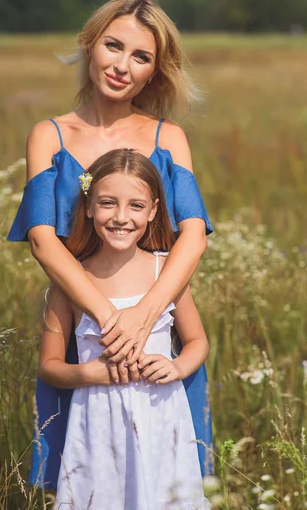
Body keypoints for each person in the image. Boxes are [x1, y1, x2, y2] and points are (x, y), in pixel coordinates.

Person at [7, 0, 214, 488]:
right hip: (82, 330)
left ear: (154, 72)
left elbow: (193, 235)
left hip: (157, 331)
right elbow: (41, 240)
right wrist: (107, 317)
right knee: (86, 477)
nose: (122, 66)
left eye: (140, 57)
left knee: (166, 480)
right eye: (113, 46)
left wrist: (142, 317)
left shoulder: (169, 137)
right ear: (89, 44)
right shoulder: (49, 136)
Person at [39, 149, 211, 510]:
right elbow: (49, 366)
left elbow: (197, 341)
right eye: (107, 203)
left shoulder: (167, 272)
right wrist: (87, 373)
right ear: (88, 207)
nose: (121, 217)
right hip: (97, 421)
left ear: (153, 211)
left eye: (136, 206)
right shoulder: (71, 281)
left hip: (162, 417)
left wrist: (177, 366)